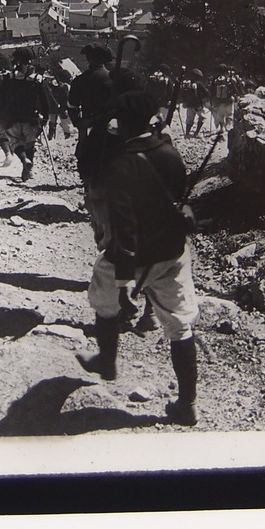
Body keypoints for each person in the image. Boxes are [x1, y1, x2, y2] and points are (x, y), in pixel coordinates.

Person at [74, 89, 200, 426]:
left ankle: (107, 360)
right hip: (172, 252)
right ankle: (186, 404)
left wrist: (126, 278)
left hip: (133, 256)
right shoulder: (170, 153)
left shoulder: (122, 164)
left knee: (104, 302)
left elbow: (124, 224)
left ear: (124, 123)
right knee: (178, 324)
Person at [0, 47, 51, 181]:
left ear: (16, 61)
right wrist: (44, 119)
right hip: (32, 118)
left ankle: (24, 161)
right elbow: (46, 102)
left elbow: (1, 97)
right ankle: (29, 169)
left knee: (15, 142)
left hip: (13, 116)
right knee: (30, 144)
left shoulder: (9, 78)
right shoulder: (38, 80)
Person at [208, 66, 243, 134]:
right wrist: (237, 95)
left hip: (219, 101)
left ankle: (221, 129)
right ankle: (228, 129)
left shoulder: (215, 80)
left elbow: (212, 90)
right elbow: (235, 89)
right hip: (229, 100)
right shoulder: (229, 79)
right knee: (229, 114)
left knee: (221, 115)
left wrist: (211, 99)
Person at [181, 69, 209, 138]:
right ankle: (196, 133)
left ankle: (187, 133)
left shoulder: (187, 83)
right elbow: (206, 93)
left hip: (189, 104)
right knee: (202, 117)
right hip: (198, 104)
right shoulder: (199, 84)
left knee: (189, 119)